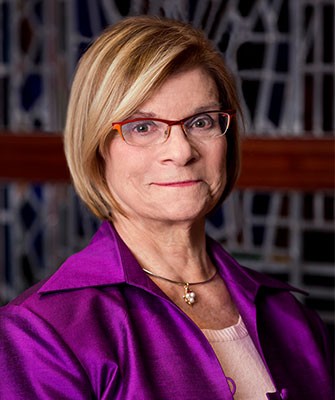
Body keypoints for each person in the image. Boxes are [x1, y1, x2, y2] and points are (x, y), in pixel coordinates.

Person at [0, 16, 332, 400]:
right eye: (143, 127)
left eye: (201, 121)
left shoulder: (289, 316)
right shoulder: (40, 335)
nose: (182, 151)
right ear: (96, 148)